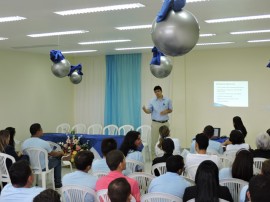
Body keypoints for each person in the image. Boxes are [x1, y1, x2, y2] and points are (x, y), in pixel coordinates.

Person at [21, 123, 64, 188]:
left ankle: (36, 183)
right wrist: (60, 153)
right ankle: (58, 184)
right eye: (41, 129)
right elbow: (53, 154)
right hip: (43, 167)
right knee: (57, 160)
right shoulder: (44, 143)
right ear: (38, 131)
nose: (42, 131)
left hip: (30, 166)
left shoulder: (24, 143)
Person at [142, 85, 173, 158]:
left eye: (158, 91)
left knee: (166, 140)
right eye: (155, 92)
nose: (157, 93)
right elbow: (149, 110)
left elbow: (171, 109)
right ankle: (153, 158)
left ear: (161, 91)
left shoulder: (168, 100)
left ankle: (167, 156)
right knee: (154, 141)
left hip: (165, 123)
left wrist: (166, 111)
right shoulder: (152, 101)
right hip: (155, 123)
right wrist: (145, 110)